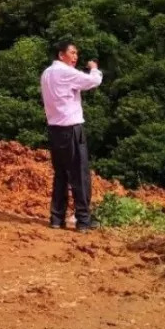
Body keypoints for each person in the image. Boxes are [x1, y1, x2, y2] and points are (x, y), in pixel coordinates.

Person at [40, 40, 102, 231]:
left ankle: (56, 218)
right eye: (72, 53)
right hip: (72, 128)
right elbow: (93, 81)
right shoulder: (65, 72)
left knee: (61, 175)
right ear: (61, 55)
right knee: (80, 175)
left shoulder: (46, 74)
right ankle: (83, 220)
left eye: (77, 54)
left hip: (54, 129)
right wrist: (94, 68)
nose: (75, 57)